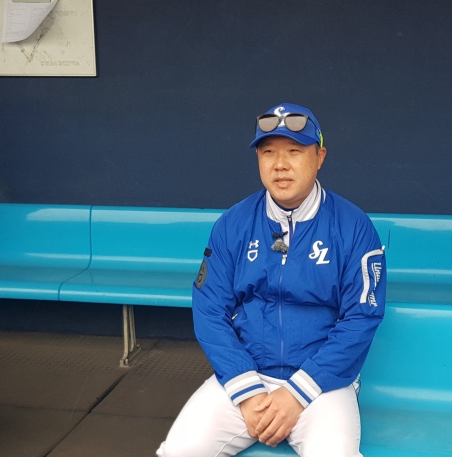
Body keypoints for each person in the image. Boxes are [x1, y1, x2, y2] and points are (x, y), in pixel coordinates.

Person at [157, 102, 386, 457]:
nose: (280, 164)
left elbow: (361, 318)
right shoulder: (234, 223)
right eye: (268, 153)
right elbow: (209, 309)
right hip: (247, 374)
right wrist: (247, 391)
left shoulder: (353, 227)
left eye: (294, 151)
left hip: (322, 383)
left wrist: (297, 393)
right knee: (180, 451)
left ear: (320, 156)